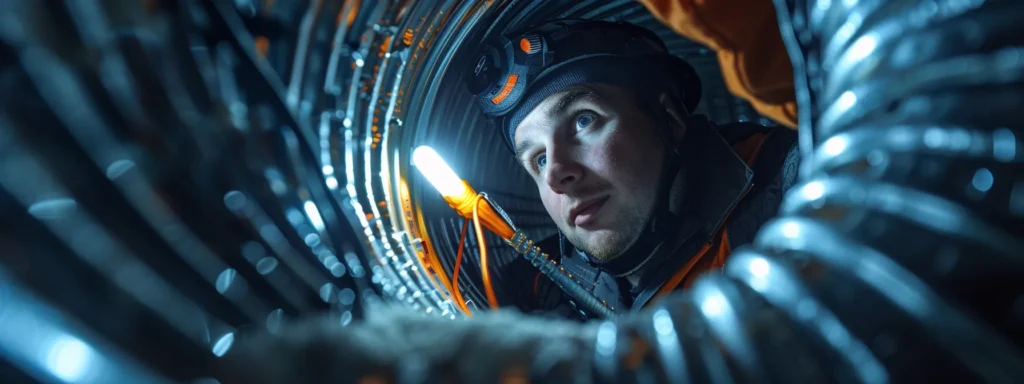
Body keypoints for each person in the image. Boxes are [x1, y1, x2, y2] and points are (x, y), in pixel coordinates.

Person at [468, 18, 801, 318]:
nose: (556, 174)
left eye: (583, 121)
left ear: (669, 119)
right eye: (538, 159)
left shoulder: (794, 190)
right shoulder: (539, 283)